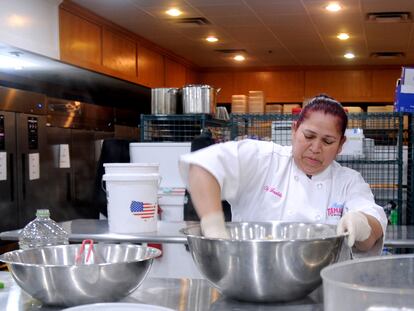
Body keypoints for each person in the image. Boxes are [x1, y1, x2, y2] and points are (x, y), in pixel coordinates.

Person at [178, 94, 387, 256]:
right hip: (252, 280)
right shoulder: (264, 159)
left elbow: (372, 229)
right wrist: (214, 227)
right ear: (294, 130)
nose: (315, 148)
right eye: (309, 136)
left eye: (328, 141)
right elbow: (202, 167)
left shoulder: (348, 181)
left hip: (323, 291)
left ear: (341, 145)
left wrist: (361, 224)